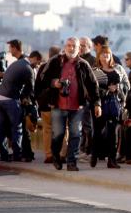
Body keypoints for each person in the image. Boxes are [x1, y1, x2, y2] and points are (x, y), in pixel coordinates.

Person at [36, 37, 101, 171]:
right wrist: (55, 83)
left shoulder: (83, 64)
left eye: (74, 46)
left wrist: (97, 104)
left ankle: (72, 162)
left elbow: (93, 85)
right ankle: (55, 156)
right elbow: (42, 79)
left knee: (75, 134)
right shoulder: (55, 61)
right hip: (58, 105)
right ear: (65, 47)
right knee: (58, 135)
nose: (71, 48)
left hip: (77, 106)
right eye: (69, 45)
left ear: (79, 49)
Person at [0, 40, 35, 162]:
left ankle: (17, 154)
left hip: (6, 98)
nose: (9, 50)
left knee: (8, 128)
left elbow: (29, 84)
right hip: (12, 99)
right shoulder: (22, 63)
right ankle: (20, 154)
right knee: (16, 128)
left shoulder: (23, 63)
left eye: (10, 48)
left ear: (15, 48)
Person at [90, 46, 129, 168]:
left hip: (114, 104)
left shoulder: (118, 69)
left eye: (107, 54)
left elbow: (126, 84)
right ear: (99, 56)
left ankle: (112, 160)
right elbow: (91, 89)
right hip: (99, 105)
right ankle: (95, 154)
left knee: (113, 132)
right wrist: (106, 90)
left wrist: (118, 89)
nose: (105, 56)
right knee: (98, 131)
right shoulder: (95, 70)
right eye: (102, 54)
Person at [36, 45, 63, 163]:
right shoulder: (62, 67)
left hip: (45, 103)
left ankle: (48, 154)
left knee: (47, 129)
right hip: (59, 103)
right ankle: (62, 154)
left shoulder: (42, 67)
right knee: (62, 129)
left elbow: (37, 86)